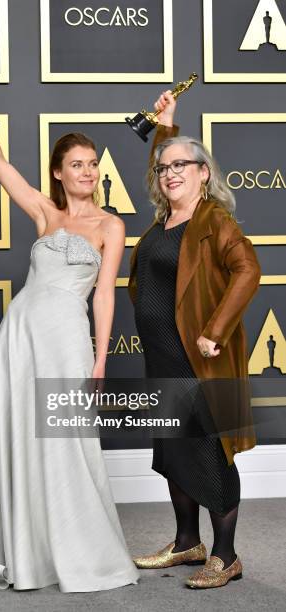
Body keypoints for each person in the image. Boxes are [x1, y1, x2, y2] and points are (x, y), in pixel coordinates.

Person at [0, 79, 139, 592]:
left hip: (67, 337)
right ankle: (26, 550)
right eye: (77, 164)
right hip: (21, 333)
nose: (88, 172)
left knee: (69, 437)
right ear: (58, 172)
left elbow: (104, 296)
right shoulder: (43, 213)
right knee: (22, 431)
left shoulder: (111, 226)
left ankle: (77, 549)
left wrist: (98, 363)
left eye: (93, 164)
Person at [128, 92, 261, 588]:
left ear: (205, 173)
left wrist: (214, 331)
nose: (170, 172)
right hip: (163, 359)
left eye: (183, 165)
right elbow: (167, 160)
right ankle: (187, 542)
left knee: (210, 451)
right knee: (172, 452)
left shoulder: (213, 221)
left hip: (199, 361)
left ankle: (225, 556)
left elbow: (248, 271)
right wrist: (166, 129)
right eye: (164, 168)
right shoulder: (164, 221)